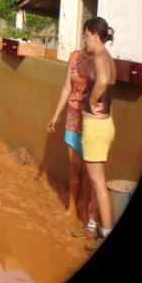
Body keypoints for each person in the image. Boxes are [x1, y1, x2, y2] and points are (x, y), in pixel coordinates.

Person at [48, 45, 99, 233]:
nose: (86, 38)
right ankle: (71, 208)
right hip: (72, 115)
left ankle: (83, 210)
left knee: (87, 168)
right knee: (74, 165)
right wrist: (56, 115)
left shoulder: (101, 60)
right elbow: (66, 87)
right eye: (85, 34)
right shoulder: (74, 57)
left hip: (90, 118)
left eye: (89, 34)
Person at [80, 17, 117, 251]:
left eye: (85, 34)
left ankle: (106, 231)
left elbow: (102, 82)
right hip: (105, 124)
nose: (84, 39)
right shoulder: (108, 58)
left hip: (96, 126)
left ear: (94, 34)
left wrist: (91, 102)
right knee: (96, 180)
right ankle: (92, 225)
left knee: (98, 182)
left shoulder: (101, 58)